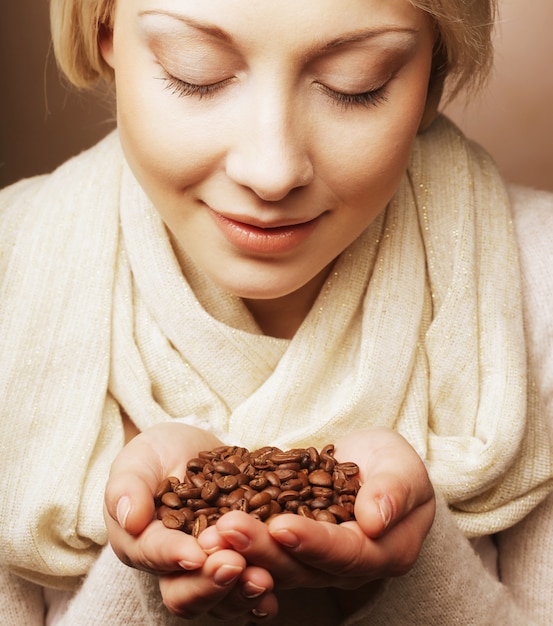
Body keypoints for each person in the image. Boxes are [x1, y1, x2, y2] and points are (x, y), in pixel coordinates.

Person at [1, 0, 553, 624]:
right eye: (197, 72)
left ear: (432, 65)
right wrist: (152, 582)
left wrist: (400, 572)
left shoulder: (538, 281)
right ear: (103, 29)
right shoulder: (12, 279)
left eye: (357, 83)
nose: (272, 171)